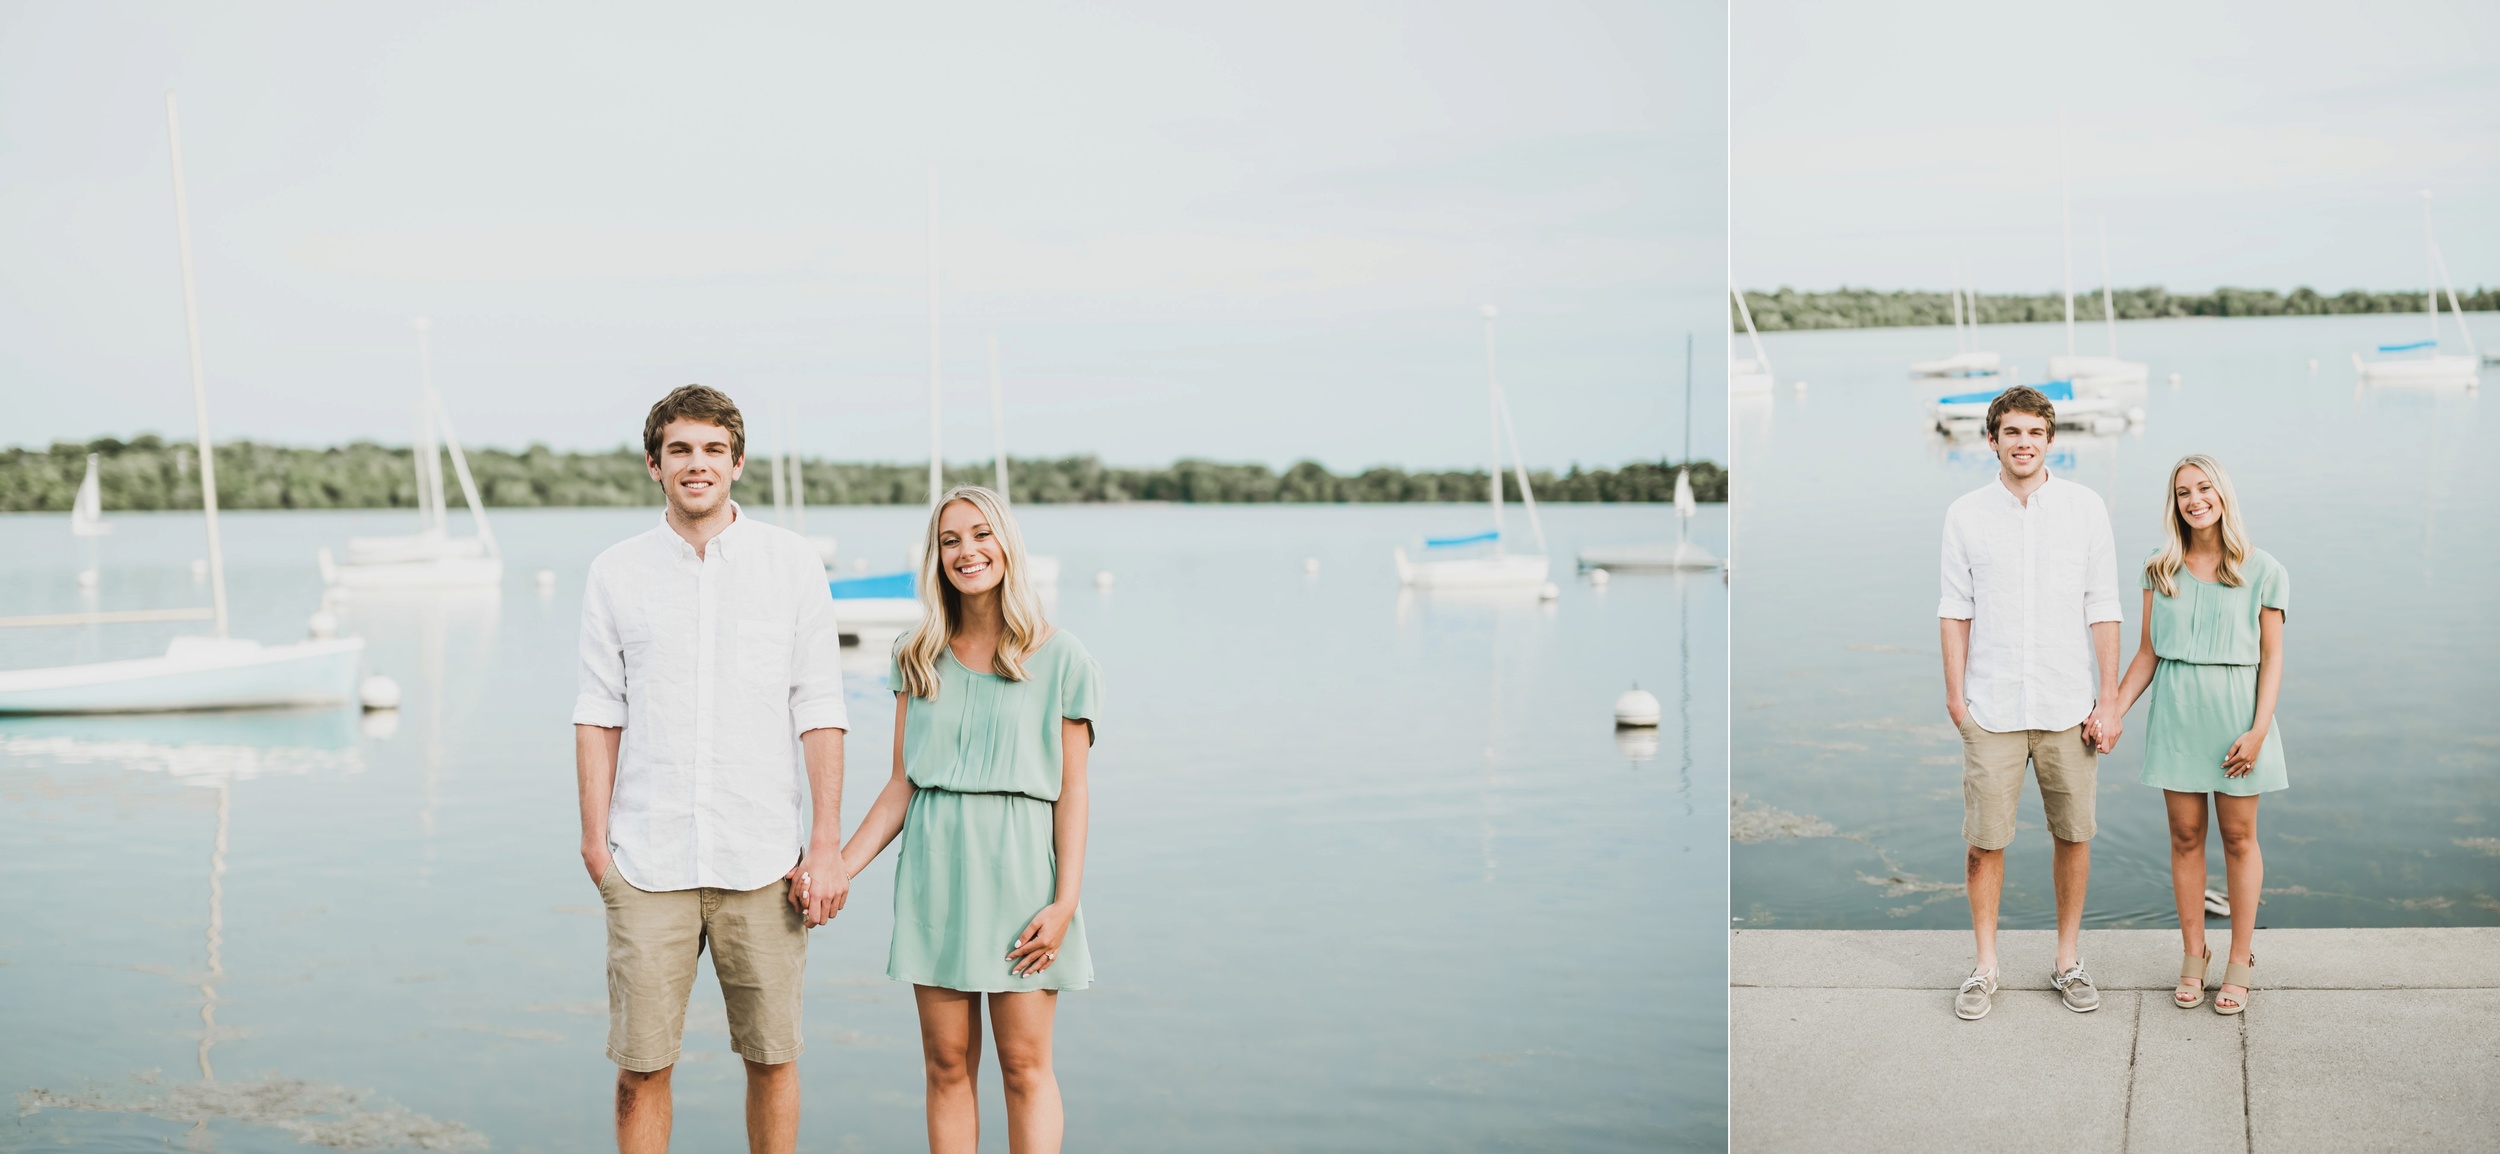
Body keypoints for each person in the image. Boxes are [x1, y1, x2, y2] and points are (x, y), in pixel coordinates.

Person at [572, 385, 849, 1154]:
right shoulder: (615, 572)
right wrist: (598, 849)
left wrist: (824, 844)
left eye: (713, 450)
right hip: (646, 859)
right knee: (641, 1066)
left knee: (772, 1056)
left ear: (737, 462)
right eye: (681, 450)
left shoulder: (791, 564)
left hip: (763, 858)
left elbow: (819, 707)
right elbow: (598, 711)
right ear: (654, 465)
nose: (698, 465)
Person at [840, 484, 1099, 1154]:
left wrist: (1065, 902)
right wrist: (835, 869)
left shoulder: (1062, 656)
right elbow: (900, 786)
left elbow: (1073, 793)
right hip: (937, 879)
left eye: (980, 534)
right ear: (936, 557)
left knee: (1024, 1066)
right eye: (950, 540)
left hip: (1023, 884)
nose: (967, 551)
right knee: (946, 1065)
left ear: (1006, 544)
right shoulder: (914, 655)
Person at [1937, 385, 2123, 1021]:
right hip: (1990, 707)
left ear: (2050, 441)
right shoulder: (1965, 513)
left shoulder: (2085, 508)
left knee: (2073, 835)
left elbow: (2103, 606)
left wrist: (2111, 700)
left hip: (2069, 704)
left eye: (2035, 433)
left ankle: (2067, 961)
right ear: (1992, 440)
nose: (2023, 443)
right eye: (2011, 432)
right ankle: (1985, 968)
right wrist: (1957, 701)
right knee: (1984, 843)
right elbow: (1954, 609)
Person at [2107, 454, 2286, 1015]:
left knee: (2238, 839)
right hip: (2178, 717)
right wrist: (2109, 708)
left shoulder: (2264, 570)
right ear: (2175, 503)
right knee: (2185, 838)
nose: (2195, 500)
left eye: (2204, 488)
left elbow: (2273, 659)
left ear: (2223, 495)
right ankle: (2193, 952)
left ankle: (2240, 959)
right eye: (2184, 492)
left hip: (2239, 720)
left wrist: (2258, 731)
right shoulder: (2159, 569)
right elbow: (2147, 653)